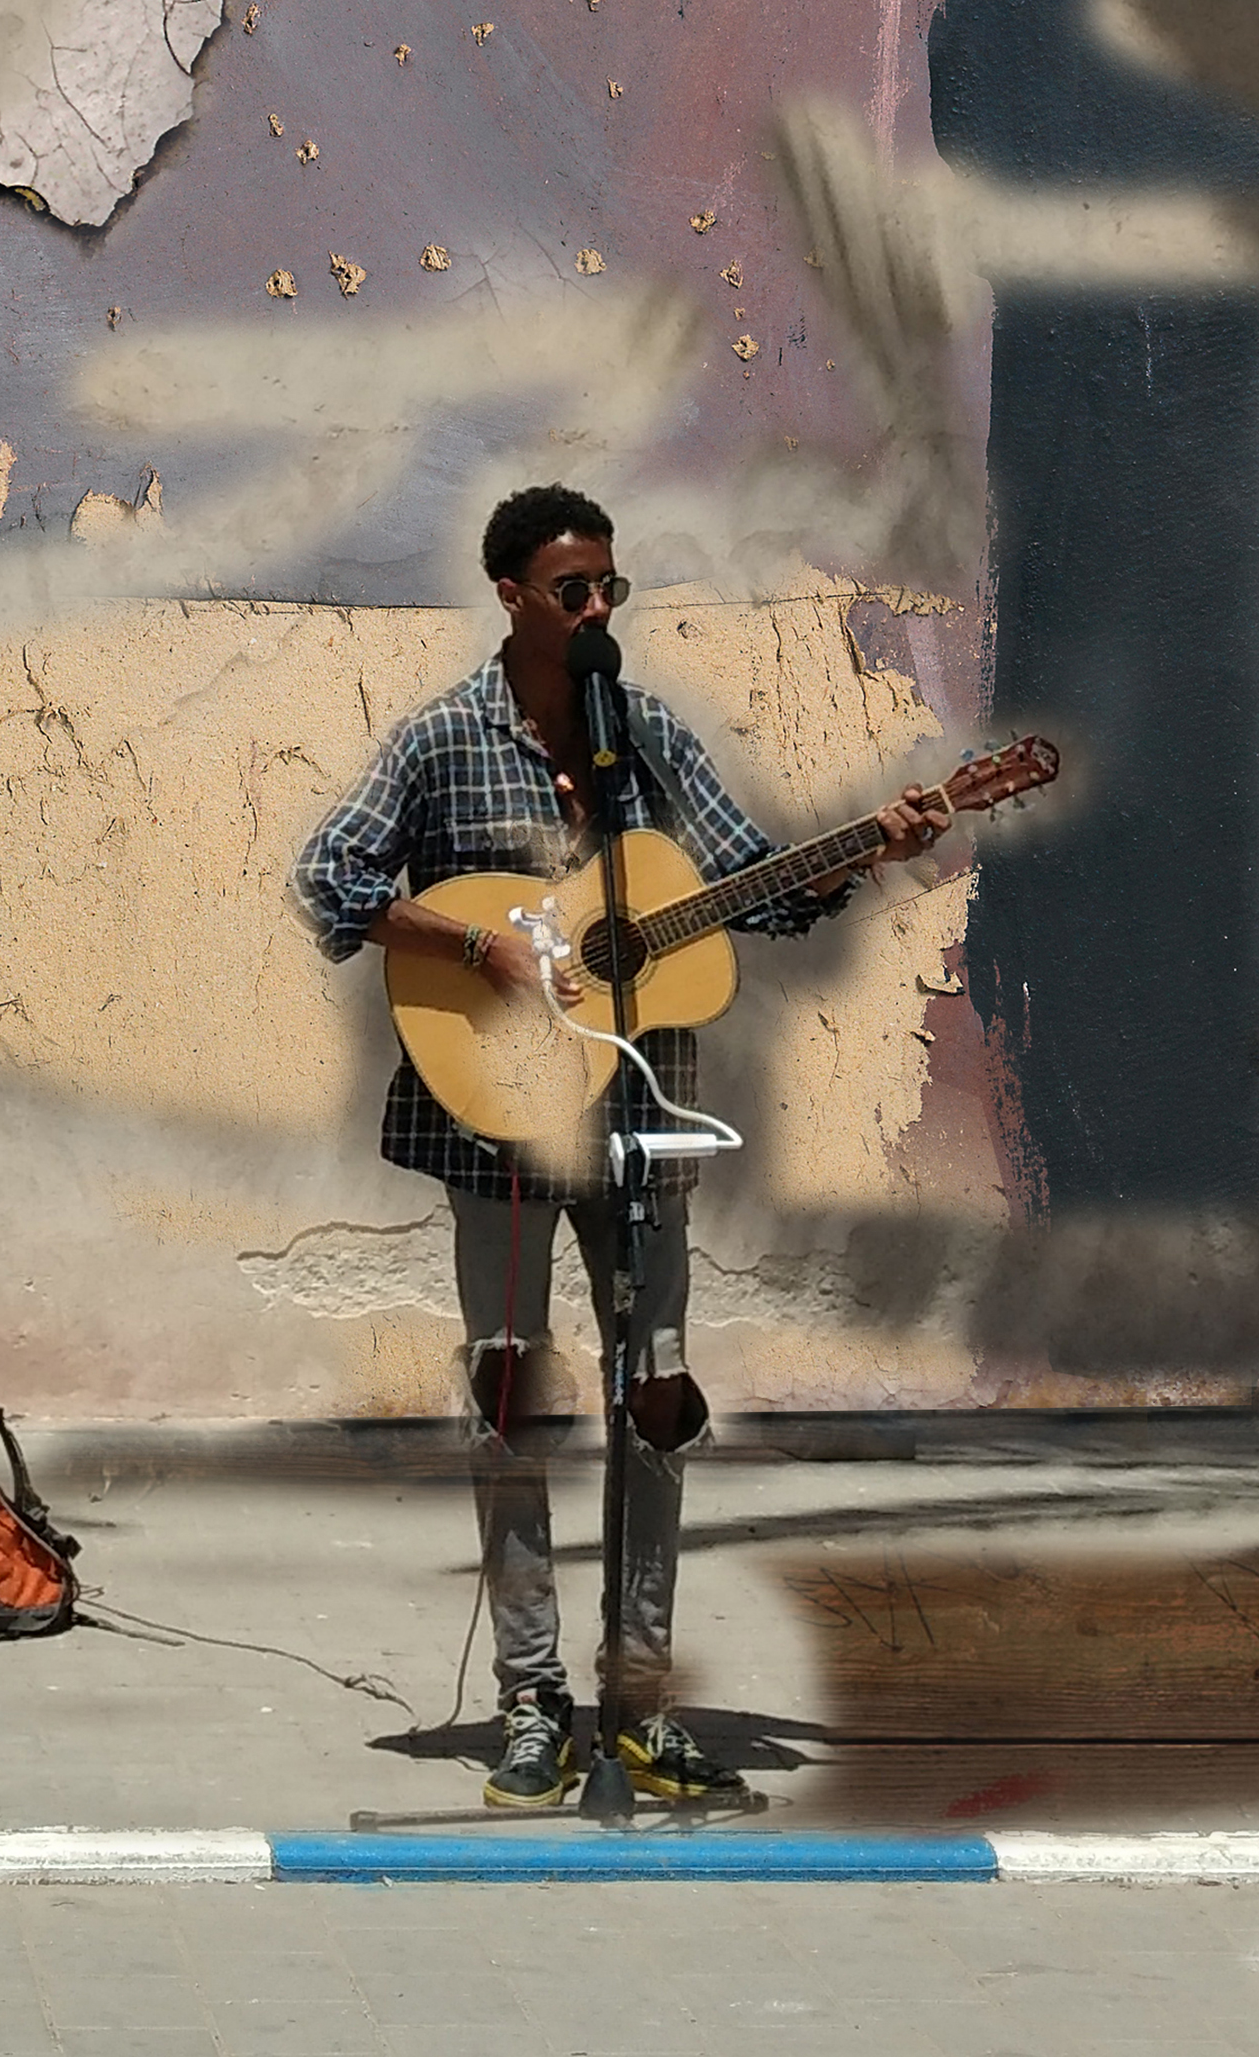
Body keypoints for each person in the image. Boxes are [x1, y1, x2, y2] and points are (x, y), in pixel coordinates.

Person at [288, 485, 948, 1809]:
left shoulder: (643, 741)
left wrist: (870, 846)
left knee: (654, 1406)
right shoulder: (438, 742)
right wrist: (471, 942)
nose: (596, 610)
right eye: (569, 590)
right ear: (509, 596)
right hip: (501, 1131)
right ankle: (530, 1699)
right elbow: (330, 879)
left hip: (640, 1120)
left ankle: (637, 1700)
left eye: (608, 588)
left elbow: (754, 881)